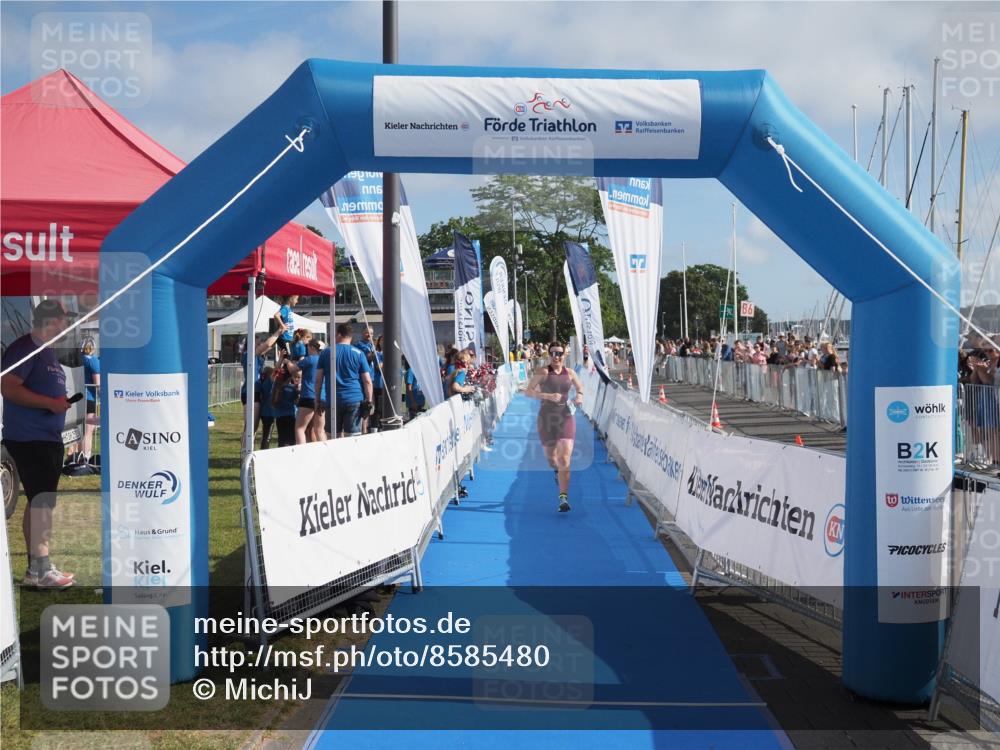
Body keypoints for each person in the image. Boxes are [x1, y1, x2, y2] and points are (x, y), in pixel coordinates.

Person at [0, 299, 76, 588]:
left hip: (44, 438)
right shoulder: (27, 346)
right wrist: (50, 403)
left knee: (39, 501)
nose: (67, 325)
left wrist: (58, 405)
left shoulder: (45, 350)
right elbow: (7, 387)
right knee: (42, 502)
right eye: (64, 320)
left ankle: (38, 568)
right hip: (31, 438)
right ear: (52, 320)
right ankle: (40, 571)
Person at [524, 341, 585, 513]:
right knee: (552, 459)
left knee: (565, 458)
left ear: (564, 355)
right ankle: (556, 471)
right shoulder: (543, 372)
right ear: (549, 355)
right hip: (546, 419)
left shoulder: (570, 373)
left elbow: (580, 387)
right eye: (553, 353)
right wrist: (547, 395)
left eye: (559, 353)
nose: (556, 356)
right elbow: (528, 391)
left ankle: (563, 498)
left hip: (566, 417)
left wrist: (579, 396)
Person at [317, 323, 373, 438]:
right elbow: (367, 381)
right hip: (354, 398)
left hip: (333, 400)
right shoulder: (359, 353)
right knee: (352, 438)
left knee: (333, 437)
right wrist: (369, 401)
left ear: (338, 334)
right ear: (351, 336)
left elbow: (318, 380)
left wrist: (317, 400)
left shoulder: (326, 353)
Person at [241, 328, 284, 453]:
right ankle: (245, 455)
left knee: (252, 428)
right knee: (250, 428)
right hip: (250, 392)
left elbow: (269, 346)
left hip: (255, 392)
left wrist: (281, 341)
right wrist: (278, 331)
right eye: (258, 343)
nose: (260, 344)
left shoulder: (257, 356)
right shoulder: (249, 355)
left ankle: (247, 453)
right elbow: (268, 344)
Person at [271, 361, 300, 448]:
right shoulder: (292, 389)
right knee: (291, 440)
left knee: (282, 439)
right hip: (291, 416)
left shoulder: (276, 386)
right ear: (289, 377)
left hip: (279, 417)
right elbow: (297, 401)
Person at [258, 366, 277, 450]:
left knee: (265, 433)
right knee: (267, 435)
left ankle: (264, 447)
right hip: (269, 413)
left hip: (264, 412)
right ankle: (264, 449)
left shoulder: (261, 382)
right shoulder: (268, 383)